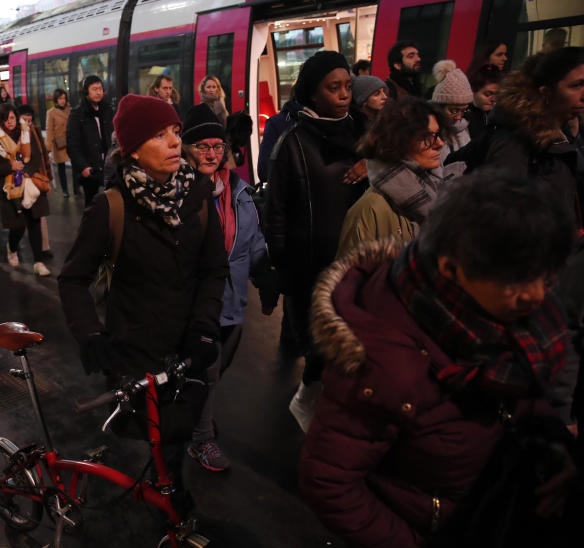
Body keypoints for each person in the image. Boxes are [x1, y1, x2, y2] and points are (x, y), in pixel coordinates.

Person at [300, 170, 577, 548]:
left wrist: (553, 448)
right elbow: (328, 481)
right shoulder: (384, 361)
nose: (536, 295)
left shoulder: (497, 316)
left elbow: (522, 398)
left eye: (544, 275)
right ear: (452, 268)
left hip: (482, 532)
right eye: (518, 281)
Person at [58, 91, 226, 418]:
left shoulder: (199, 196)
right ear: (133, 150)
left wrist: (204, 328)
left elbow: (214, 269)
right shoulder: (112, 207)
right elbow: (73, 279)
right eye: (159, 135)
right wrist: (90, 334)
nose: (175, 143)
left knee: (176, 452)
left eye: (176, 132)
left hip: (189, 351)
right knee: (150, 448)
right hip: (135, 357)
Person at [265, 50, 366, 431]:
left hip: (358, 256)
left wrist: (374, 164)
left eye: (347, 86)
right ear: (312, 94)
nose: (343, 94)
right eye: (333, 87)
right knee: (321, 341)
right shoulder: (293, 142)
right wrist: (280, 264)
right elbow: (275, 210)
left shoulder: (365, 133)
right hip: (310, 261)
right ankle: (308, 399)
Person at [181, 103, 269, 471]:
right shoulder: (179, 193)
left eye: (217, 146)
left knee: (215, 371)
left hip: (233, 302)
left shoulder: (239, 191)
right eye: (202, 147)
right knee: (207, 371)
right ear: (186, 149)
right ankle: (201, 440)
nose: (212, 154)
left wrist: (267, 276)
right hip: (197, 303)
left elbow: (253, 243)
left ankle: (193, 415)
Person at [471, 47, 584, 225]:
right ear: (546, 92)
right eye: (576, 85)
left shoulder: (564, 130)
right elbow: (503, 216)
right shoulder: (514, 140)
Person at [338, 97, 461, 257]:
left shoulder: (441, 189)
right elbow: (349, 278)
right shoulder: (371, 209)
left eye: (438, 135)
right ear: (398, 141)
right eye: (427, 137)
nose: (440, 144)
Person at [0, 103, 52, 276]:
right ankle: (12, 248)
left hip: (30, 184)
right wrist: (10, 166)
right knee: (18, 226)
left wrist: (26, 172)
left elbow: (36, 157)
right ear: (0, 121)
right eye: (5, 119)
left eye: (12, 118)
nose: (10, 122)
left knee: (35, 221)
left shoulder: (27, 132)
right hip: (9, 189)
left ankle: (38, 262)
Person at [66, 75, 113, 205]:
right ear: (86, 92)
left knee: (112, 202)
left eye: (100, 89)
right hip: (90, 168)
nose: (98, 92)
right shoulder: (77, 114)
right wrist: (83, 167)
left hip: (108, 165)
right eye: (94, 89)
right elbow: (72, 145)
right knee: (91, 205)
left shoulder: (107, 110)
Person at [18, 104, 55, 261]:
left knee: (40, 216)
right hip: (22, 179)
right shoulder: (14, 133)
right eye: (24, 116)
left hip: (38, 178)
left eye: (29, 116)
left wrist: (48, 177)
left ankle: (43, 248)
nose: (28, 119)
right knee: (23, 216)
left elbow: (43, 154)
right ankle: (14, 244)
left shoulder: (35, 130)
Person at [429, 60, 473, 160]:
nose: (459, 117)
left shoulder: (463, 129)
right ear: (439, 107)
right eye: (454, 110)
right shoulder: (427, 131)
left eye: (463, 110)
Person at [257, 97, 303, 182]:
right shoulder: (276, 124)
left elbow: (264, 172)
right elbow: (265, 171)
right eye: (333, 89)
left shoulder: (276, 123)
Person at [45, 88, 75, 197]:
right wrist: (48, 147)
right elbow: (49, 130)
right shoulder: (51, 112)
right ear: (56, 100)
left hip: (71, 142)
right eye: (60, 98)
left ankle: (76, 189)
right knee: (61, 168)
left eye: (64, 98)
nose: (62, 101)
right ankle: (65, 190)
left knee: (75, 166)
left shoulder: (70, 110)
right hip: (59, 143)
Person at [463, 63, 501, 144]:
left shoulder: (496, 115)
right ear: (473, 90)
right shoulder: (463, 116)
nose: (493, 99)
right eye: (487, 94)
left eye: (496, 95)